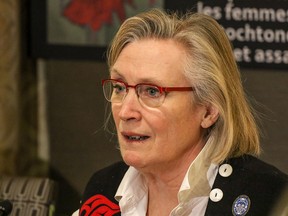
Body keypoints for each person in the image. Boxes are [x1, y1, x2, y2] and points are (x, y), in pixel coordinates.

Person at [73, 8, 288, 216]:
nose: (125, 112)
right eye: (119, 88)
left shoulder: (270, 198)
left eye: (151, 91)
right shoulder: (102, 191)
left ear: (208, 110)